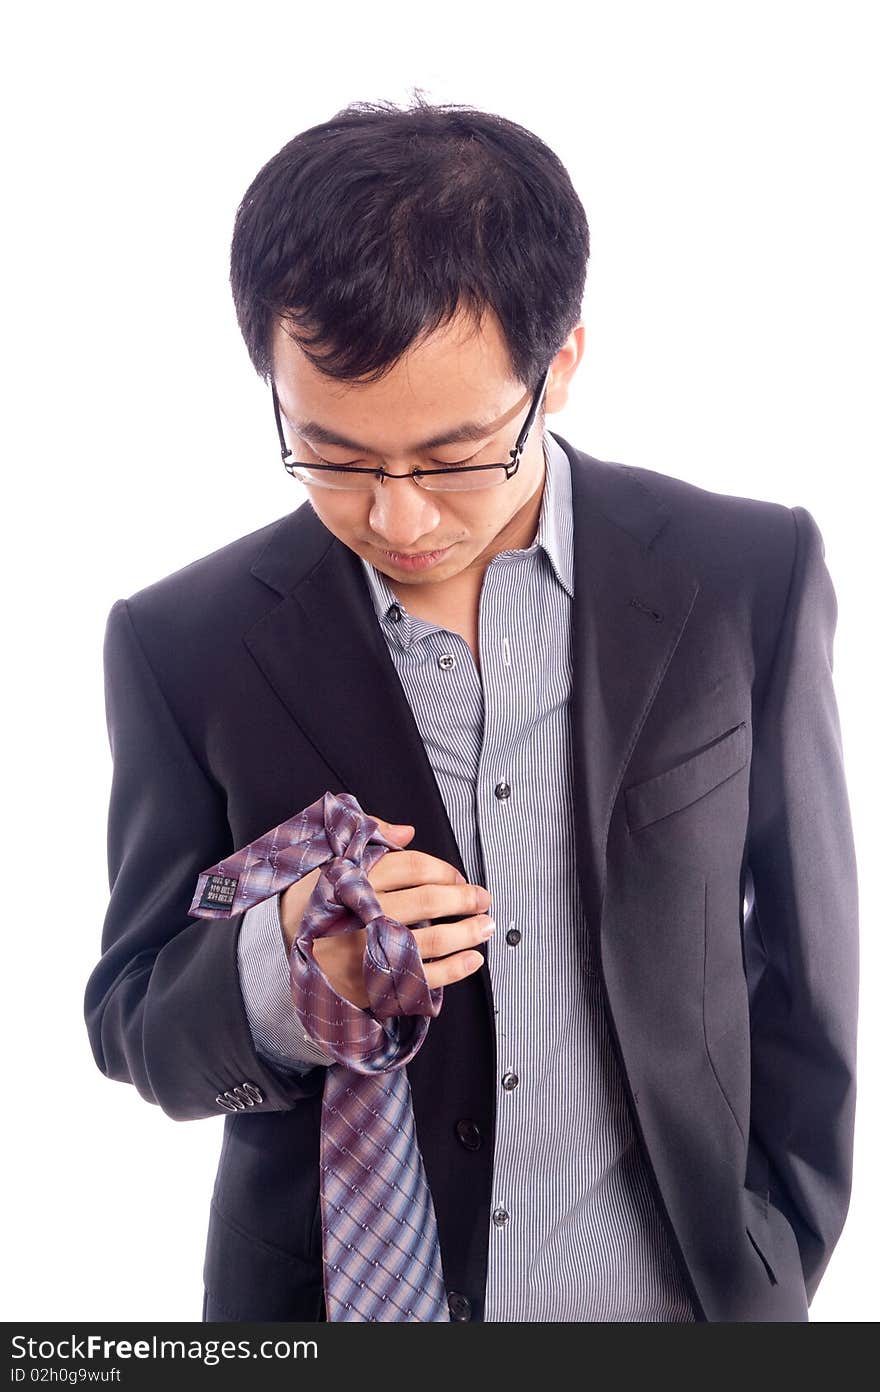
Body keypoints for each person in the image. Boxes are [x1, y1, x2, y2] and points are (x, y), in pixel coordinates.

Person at [83, 96, 859, 1323]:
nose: (395, 518)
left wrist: (778, 1260)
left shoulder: (742, 575)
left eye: (450, 457)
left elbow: (807, 974)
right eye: (332, 454)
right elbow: (136, 1023)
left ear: (559, 368)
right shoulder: (183, 643)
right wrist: (293, 969)